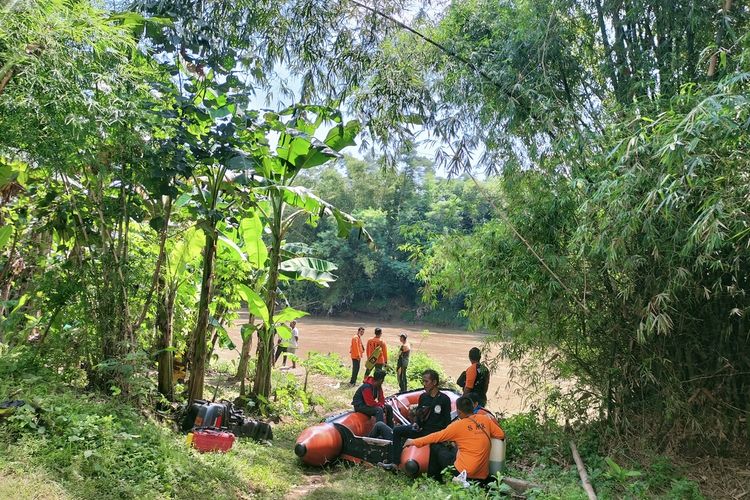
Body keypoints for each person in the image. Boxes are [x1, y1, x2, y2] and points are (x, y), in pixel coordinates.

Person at [404, 396, 505, 482]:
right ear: (473, 407)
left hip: (464, 473)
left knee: (436, 446)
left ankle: (435, 479)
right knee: (455, 449)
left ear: (459, 412)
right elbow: (501, 434)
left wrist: (413, 441)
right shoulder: (484, 419)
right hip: (482, 475)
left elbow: (435, 437)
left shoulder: (457, 426)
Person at [378, 369, 451, 470]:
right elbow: (419, 415)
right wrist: (416, 423)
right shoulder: (423, 397)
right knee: (397, 430)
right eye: (423, 382)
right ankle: (395, 463)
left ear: (434, 382)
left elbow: (447, 421)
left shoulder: (444, 399)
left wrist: (446, 438)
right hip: (422, 430)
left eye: (426, 381)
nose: (424, 384)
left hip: (434, 433)